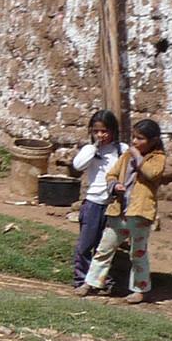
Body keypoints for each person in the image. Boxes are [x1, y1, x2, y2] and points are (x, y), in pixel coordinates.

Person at [77, 118, 168, 304]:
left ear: (153, 141)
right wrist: (114, 184)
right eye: (133, 138)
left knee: (138, 252)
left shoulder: (157, 158)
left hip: (140, 213)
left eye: (140, 139)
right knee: (104, 248)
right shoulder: (126, 156)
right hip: (119, 210)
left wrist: (138, 157)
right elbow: (111, 173)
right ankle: (91, 282)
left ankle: (139, 290)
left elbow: (152, 174)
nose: (134, 142)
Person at [65, 109, 123, 289]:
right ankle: (81, 279)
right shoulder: (89, 150)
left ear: (113, 130)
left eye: (104, 131)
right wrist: (94, 147)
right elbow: (78, 165)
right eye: (96, 131)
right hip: (93, 203)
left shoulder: (121, 150)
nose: (100, 135)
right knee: (85, 245)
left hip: (113, 204)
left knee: (105, 246)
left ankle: (103, 281)